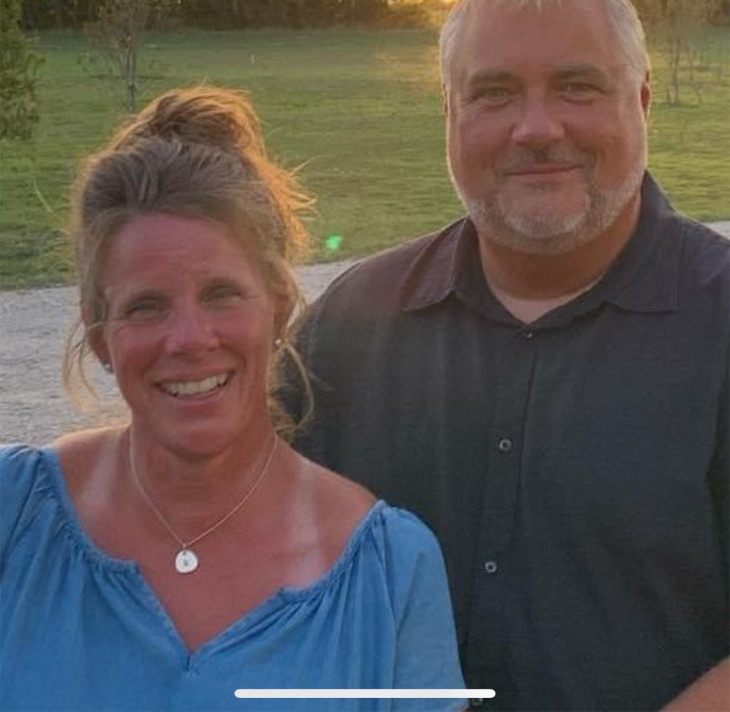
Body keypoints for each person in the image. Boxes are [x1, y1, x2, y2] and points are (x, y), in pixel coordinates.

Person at [289, 0, 729, 712]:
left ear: (643, 100)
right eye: (493, 92)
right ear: (449, 114)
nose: (536, 127)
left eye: (576, 86)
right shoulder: (350, 327)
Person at [0, 86, 467, 712]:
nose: (190, 339)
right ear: (100, 335)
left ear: (278, 306)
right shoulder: (16, 516)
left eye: (221, 294)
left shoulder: (391, 575)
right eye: (146, 306)